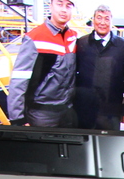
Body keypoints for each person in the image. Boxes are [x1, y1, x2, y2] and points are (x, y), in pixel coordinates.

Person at [8, 0, 78, 128]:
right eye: (59, 4)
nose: (64, 9)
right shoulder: (34, 37)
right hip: (42, 114)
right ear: (50, 6)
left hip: (67, 111)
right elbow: (19, 80)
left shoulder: (72, 37)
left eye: (68, 6)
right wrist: (17, 119)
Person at [75, 4, 124, 131]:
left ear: (111, 21)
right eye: (99, 18)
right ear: (93, 20)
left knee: (110, 142)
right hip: (84, 109)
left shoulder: (123, 46)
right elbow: (73, 75)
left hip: (112, 111)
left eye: (107, 18)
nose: (102, 22)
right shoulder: (81, 43)